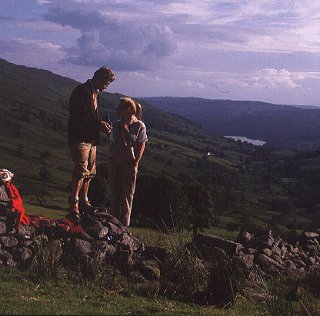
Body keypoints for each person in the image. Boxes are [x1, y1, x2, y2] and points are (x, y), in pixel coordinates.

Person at [68, 67, 115, 216]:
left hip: (92, 139)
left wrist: (102, 122)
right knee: (81, 170)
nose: (107, 86)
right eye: (106, 83)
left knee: (89, 173)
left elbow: (92, 116)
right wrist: (99, 124)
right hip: (80, 137)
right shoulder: (81, 91)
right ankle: (74, 202)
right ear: (100, 78)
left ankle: (84, 201)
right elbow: (79, 116)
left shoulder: (96, 94)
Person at [107, 97, 148, 226]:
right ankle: (113, 224)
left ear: (129, 110)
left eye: (120, 107)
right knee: (114, 193)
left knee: (126, 196)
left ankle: (124, 226)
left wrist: (136, 161)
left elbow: (141, 144)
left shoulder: (139, 125)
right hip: (115, 161)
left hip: (129, 164)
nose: (117, 110)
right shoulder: (118, 124)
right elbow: (112, 141)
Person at [0, 169, 30, 233]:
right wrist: (13, 205)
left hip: (13, 205)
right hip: (10, 206)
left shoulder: (9, 187)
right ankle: (12, 228)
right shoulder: (8, 187)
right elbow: (14, 198)